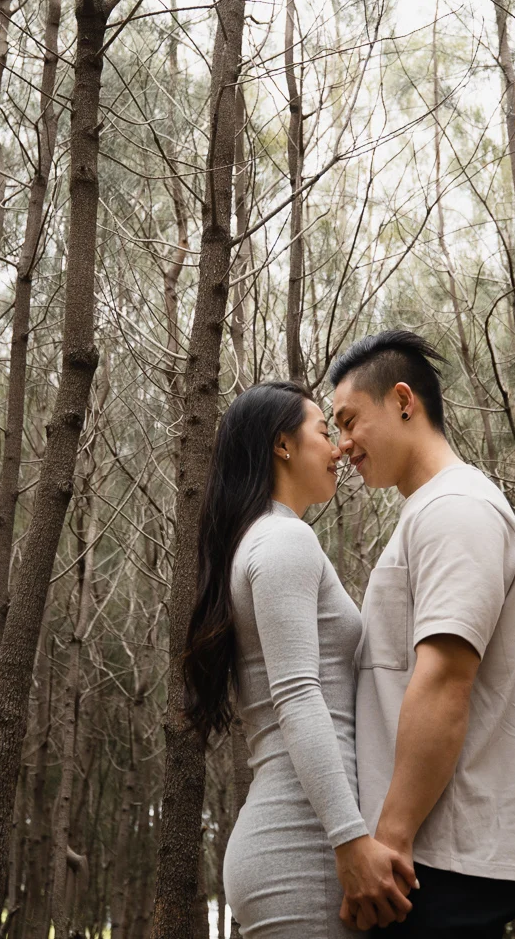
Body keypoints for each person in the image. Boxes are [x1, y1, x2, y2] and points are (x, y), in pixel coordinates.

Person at [182, 381, 417, 937]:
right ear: (281, 445)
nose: (338, 447)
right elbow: (296, 695)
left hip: (302, 841)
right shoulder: (283, 542)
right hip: (304, 846)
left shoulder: (263, 540)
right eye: (322, 431)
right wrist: (350, 839)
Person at [327, 331, 515, 937]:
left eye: (348, 421)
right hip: (427, 863)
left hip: (436, 865)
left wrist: (388, 844)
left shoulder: (458, 508)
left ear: (402, 400)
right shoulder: (430, 510)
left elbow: (445, 680)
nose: (342, 447)